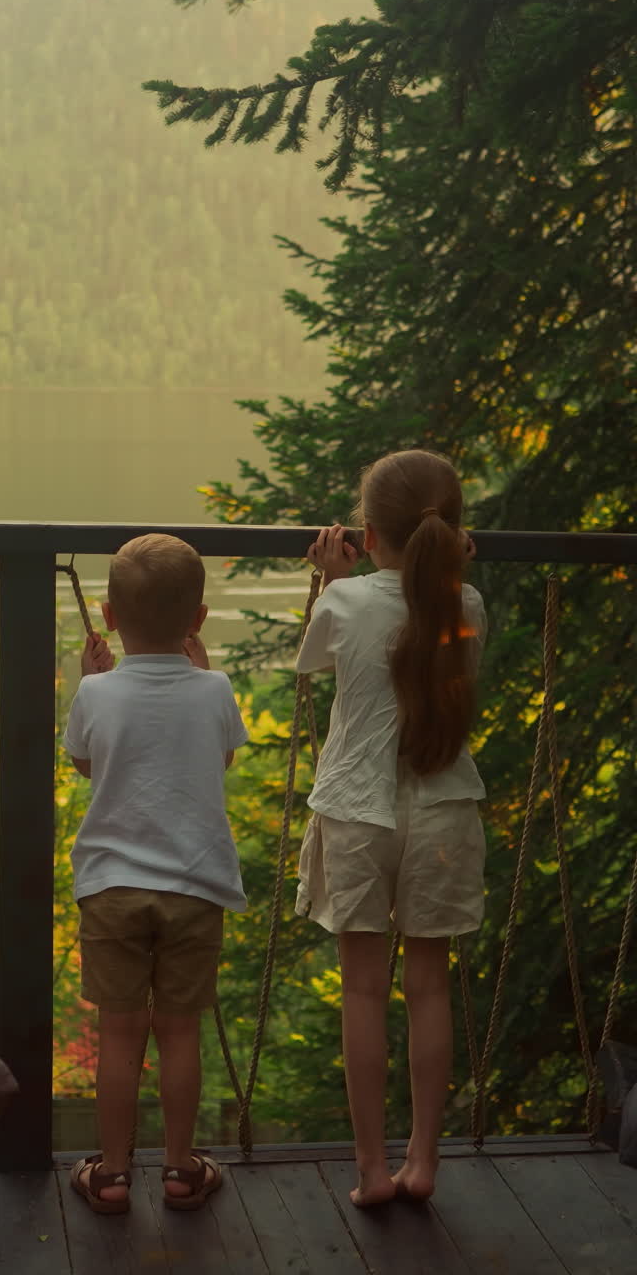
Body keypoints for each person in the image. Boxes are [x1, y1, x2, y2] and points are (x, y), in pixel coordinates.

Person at [295, 449, 487, 1208]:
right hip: (442, 809)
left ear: (366, 534)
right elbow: (436, 606)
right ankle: (425, 1161)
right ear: (454, 534)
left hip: (357, 810)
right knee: (430, 987)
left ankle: (372, 1170)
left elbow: (311, 665)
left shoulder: (344, 603)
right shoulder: (466, 603)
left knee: (365, 992)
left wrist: (328, 580)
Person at [63, 533, 248, 1214]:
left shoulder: (95, 692)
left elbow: (87, 766)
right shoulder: (216, 689)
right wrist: (203, 671)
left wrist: (89, 675)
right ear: (197, 621)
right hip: (195, 887)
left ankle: (111, 1175)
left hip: (110, 888)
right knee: (178, 1030)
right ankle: (179, 1170)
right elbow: (221, 759)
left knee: (119, 1031)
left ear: (108, 618)